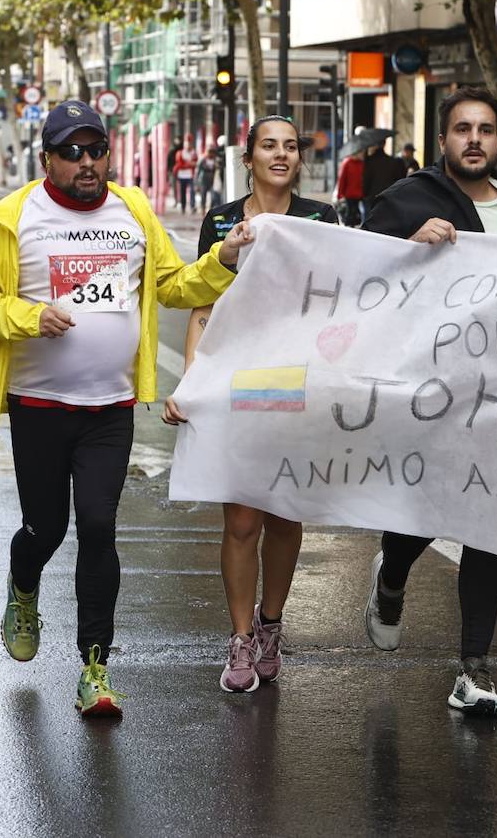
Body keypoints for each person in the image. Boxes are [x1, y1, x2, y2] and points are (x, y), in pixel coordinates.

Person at [0, 101, 253, 718]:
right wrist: (25, 316)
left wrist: (222, 262)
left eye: (96, 150)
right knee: (46, 529)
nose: (87, 163)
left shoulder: (132, 211)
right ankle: (23, 580)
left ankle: (94, 667)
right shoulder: (12, 218)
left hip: (108, 409)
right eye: (72, 152)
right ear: (47, 159)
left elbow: (170, 287)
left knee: (100, 527)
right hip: (39, 406)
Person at [362, 85, 497, 717]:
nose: (475, 140)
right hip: (430, 388)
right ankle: (393, 574)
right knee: (428, 507)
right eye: (462, 129)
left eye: (486, 130)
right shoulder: (407, 199)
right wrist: (407, 243)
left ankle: (474, 668)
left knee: (486, 524)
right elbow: (356, 271)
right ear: (443, 140)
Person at [163, 115, 339, 693]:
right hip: (238, 384)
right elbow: (202, 304)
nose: (281, 155)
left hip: (300, 384)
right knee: (241, 519)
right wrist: (191, 383)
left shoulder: (322, 219)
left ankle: (271, 623)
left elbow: (349, 292)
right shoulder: (220, 220)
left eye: (291, 145)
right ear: (250, 157)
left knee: (286, 514)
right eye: (270, 145)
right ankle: (240, 639)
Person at [362, 139, 406, 204]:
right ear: (384, 144)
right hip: (389, 196)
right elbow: (399, 179)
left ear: (375, 145)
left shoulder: (369, 161)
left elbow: (366, 180)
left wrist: (364, 194)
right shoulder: (394, 162)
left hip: (373, 198)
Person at [335, 145, 365, 227]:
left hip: (360, 194)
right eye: (361, 152)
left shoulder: (362, 163)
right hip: (349, 194)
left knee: (358, 215)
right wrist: (339, 195)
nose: (362, 154)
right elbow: (342, 179)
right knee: (350, 214)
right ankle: (349, 230)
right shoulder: (347, 162)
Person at [173, 136, 199, 213]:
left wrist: (186, 164)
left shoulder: (193, 153)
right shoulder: (180, 153)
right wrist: (189, 164)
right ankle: (183, 207)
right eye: (186, 144)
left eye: (189, 143)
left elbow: (195, 163)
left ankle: (192, 206)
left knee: (192, 191)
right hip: (181, 175)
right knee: (182, 192)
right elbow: (179, 164)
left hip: (190, 175)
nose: (188, 145)